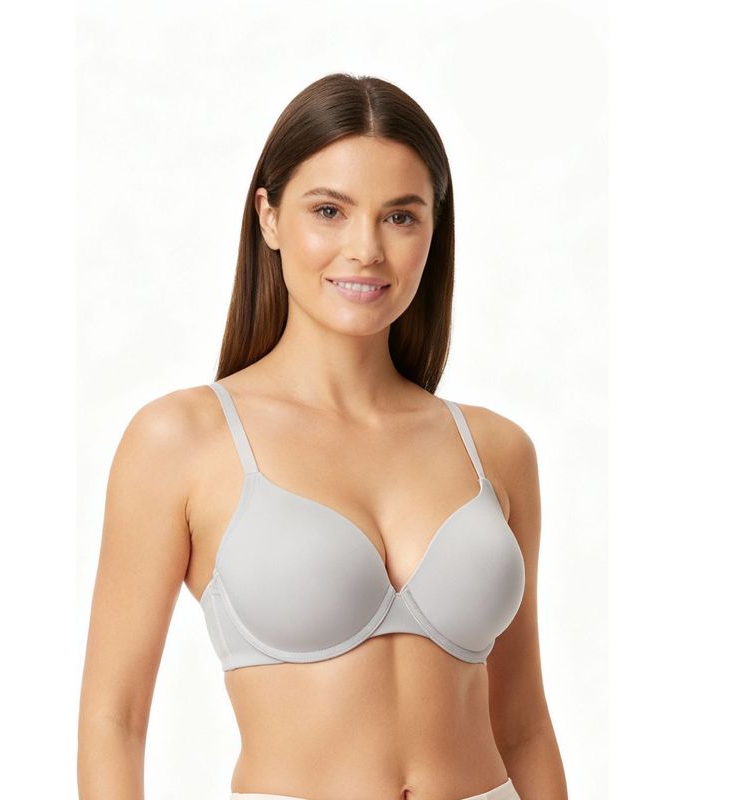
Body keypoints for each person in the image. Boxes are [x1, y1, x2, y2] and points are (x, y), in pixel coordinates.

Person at [77, 72, 568, 800]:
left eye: (400, 217)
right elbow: (113, 720)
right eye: (330, 211)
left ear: (433, 230)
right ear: (270, 218)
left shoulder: (496, 450)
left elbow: (523, 724)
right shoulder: (182, 441)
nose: (366, 249)